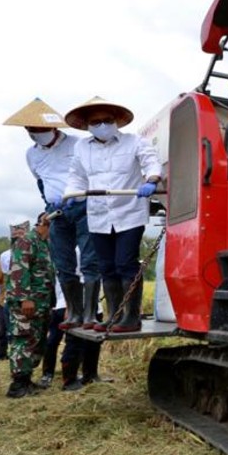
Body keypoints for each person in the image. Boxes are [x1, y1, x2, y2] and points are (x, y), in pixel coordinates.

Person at [64, 96, 161, 339]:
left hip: (129, 211)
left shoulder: (134, 141)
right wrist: (69, 195)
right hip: (98, 215)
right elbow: (76, 176)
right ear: (87, 125)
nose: (102, 125)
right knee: (106, 267)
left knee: (125, 262)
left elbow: (151, 162)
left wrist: (151, 180)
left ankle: (132, 316)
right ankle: (113, 315)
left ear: (116, 120)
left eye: (107, 120)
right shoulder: (81, 148)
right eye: (96, 122)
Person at [2, 98, 100, 333]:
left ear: (54, 128)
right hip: (56, 213)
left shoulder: (78, 144)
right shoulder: (31, 154)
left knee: (88, 260)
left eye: (40, 129)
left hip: (83, 206)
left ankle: (90, 313)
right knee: (63, 263)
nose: (36, 133)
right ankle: (74, 312)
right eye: (31, 130)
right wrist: (48, 204)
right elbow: (41, 182)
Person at [5, 212, 55, 398]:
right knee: (23, 340)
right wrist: (24, 298)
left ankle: (26, 379)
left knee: (36, 341)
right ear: (46, 224)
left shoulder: (43, 244)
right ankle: (18, 385)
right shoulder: (27, 240)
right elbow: (19, 269)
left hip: (40, 304)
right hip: (27, 303)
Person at [0, 221, 28, 360]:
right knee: (1, 331)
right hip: (5, 300)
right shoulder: (4, 256)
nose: (18, 236)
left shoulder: (35, 253)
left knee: (22, 331)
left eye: (21, 234)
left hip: (27, 301)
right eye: (15, 234)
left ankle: (19, 356)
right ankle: (1, 356)